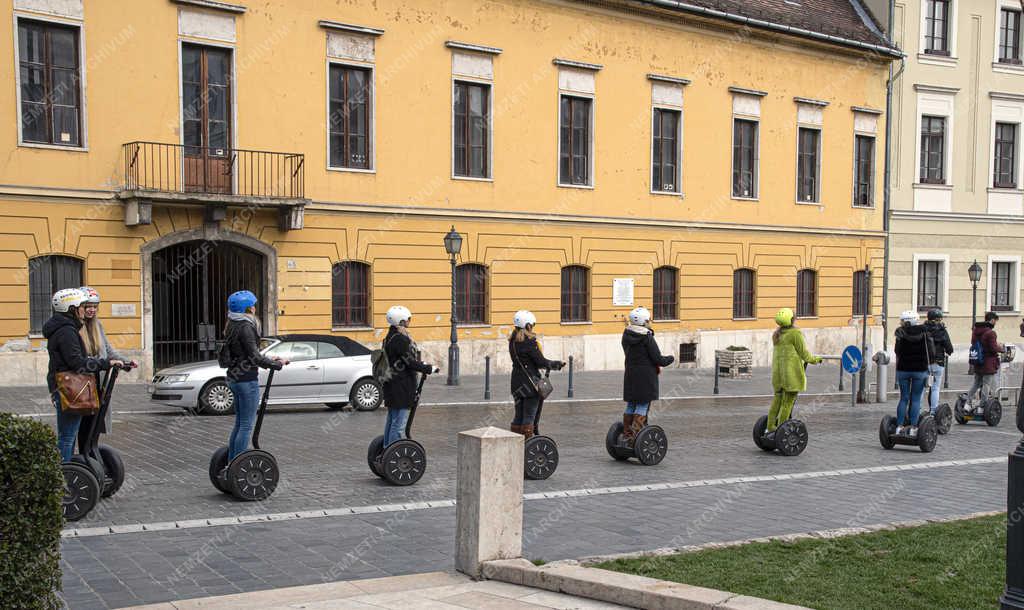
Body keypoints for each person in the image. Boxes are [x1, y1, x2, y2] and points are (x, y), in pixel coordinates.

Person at [43, 288, 122, 462]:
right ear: (71, 308)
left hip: (69, 387)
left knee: (68, 435)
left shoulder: (67, 328)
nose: (84, 309)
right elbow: (76, 362)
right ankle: (64, 475)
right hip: (70, 388)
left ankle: (68, 470)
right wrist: (105, 363)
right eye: (82, 306)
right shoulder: (66, 332)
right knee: (67, 437)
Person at [222, 290, 286, 462]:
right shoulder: (246, 326)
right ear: (248, 309)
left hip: (234, 379)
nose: (255, 307)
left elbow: (245, 353)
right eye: (253, 305)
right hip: (246, 380)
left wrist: (270, 359)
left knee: (239, 423)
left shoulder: (231, 324)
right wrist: (276, 364)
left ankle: (231, 462)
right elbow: (254, 357)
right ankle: (237, 464)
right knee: (246, 425)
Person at [77, 287, 136, 449]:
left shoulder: (97, 326)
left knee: (95, 423)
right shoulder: (75, 328)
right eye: (88, 306)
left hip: (98, 382)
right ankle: (83, 457)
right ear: (79, 306)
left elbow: (108, 351)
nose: (91, 310)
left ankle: (90, 453)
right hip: (82, 385)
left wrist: (125, 362)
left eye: (95, 307)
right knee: (84, 424)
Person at [381, 305, 437, 446]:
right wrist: (429, 368)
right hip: (401, 387)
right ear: (401, 321)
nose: (409, 322)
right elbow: (409, 363)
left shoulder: (389, 337)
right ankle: (393, 452)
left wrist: (420, 364)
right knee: (399, 425)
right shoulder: (401, 339)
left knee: (392, 420)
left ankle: (386, 448)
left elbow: (403, 360)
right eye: (407, 320)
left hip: (392, 385)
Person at [621, 306, 674, 443]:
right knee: (643, 404)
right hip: (645, 377)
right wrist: (670, 358)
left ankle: (627, 434)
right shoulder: (647, 338)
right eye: (648, 320)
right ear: (644, 322)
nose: (650, 321)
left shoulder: (626, 335)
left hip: (631, 375)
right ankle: (634, 436)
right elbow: (658, 359)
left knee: (632, 404)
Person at [765, 308, 822, 435]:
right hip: (791, 376)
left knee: (777, 401)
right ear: (792, 320)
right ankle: (781, 431)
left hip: (777, 375)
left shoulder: (777, 335)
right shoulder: (795, 334)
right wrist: (817, 359)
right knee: (787, 403)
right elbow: (804, 354)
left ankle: (769, 427)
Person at [509, 310, 565, 439]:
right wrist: (556, 364)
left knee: (518, 416)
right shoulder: (529, 342)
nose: (532, 327)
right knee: (529, 417)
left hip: (516, 383)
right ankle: (528, 444)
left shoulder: (512, 341)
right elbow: (541, 362)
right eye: (532, 325)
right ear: (528, 326)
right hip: (531, 385)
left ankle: (514, 443)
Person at [894, 310, 934, 436]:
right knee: (916, 398)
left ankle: (899, 426)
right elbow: (931, 352)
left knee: (904, 398)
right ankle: (913, 427)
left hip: (903, 370)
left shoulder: (900, 333)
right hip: (919, 370)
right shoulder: (924, 332)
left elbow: (897, 351)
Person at [966, 311, 1005, 411]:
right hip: (988, 362)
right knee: (986, 384)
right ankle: (982, 406)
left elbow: (973, 343)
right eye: (995, 321)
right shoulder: (991, 333)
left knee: (976, 383)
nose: (995, 323)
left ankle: (967, 403)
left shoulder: (976, 330)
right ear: (992, 320)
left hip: (978, 361)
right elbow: (992, 348)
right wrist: (1001, 348)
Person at [923, 308, 954, 416]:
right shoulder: (942, 330)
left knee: (921, 388)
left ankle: (917, 410)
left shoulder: (923, 329)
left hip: (924, 362)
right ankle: (933, 411)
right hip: (938, 362)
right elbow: (949, 347)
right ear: (938, 319)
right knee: (935, 388)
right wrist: (948, 351)